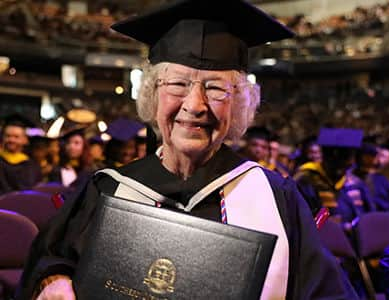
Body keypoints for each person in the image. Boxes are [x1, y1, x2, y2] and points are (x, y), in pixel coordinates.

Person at [16, 1, 358, 299]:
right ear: (152, 94)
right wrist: (54, 279)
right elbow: (51, 258)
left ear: (239, 105)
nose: (194, 105)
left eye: (215, 88)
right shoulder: (104, 189)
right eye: (178, 84)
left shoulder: (276, 198)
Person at [0, 114, 42, 194]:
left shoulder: (32, 165)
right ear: (3, 138)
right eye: (8, 136)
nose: (11, 140)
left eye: (16, 137)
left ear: (25, 140)